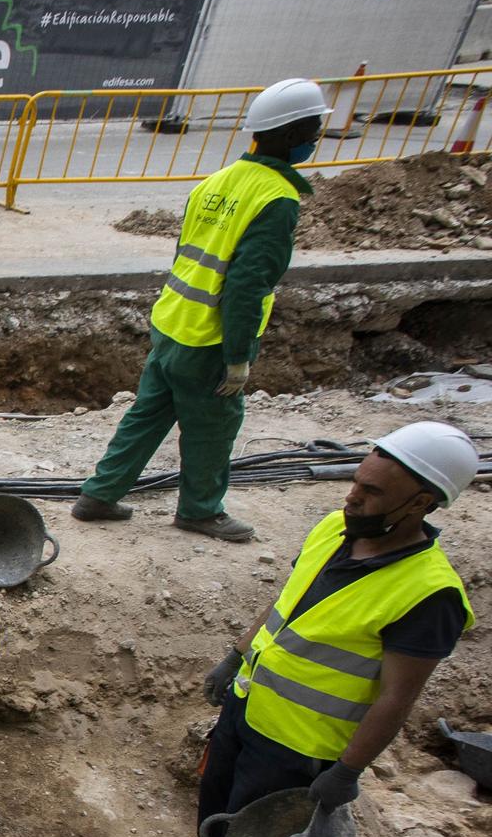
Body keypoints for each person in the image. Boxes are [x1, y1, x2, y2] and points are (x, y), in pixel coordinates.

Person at [155, 421, 478, 837]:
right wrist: (236, 655)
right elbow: (289, 596)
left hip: (301, 743)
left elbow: (397, 698)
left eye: (372, 492)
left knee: (256, 835)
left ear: (421, 501)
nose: (353, 496)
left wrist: (347, 772)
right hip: (250, 703)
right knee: (217, 802)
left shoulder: (429, 594)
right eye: (357, 482)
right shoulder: (335, 528)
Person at [70, 79, 331, 545]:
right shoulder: (275, 200)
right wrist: (238, 356)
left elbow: (185, 257)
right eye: (314, 129)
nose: (317, 138)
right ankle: (201, 511)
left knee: (146, 416)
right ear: (294, 136)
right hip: (209, 340)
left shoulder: (215, 183)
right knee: (213, 429)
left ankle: (99, 494)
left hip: (171, 325)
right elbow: (247, 286)